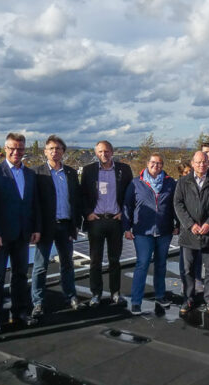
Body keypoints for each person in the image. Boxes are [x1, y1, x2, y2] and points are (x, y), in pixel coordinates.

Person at [0, 133, 41, 334]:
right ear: (5, 149)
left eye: (20, 149)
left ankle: (19, 312)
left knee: (20, 275)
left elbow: (34, 204)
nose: (16, 152)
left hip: (23, 234)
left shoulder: (30, 174)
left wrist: (36, 228)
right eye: (12, 148)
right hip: (0, 236)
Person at [31, 135, 84, 321]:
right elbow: (34, 203)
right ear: (45, 152)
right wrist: (35, 228)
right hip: (46, 227)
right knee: (40, 266)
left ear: (63, 152)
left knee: (67, 264)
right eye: (51, 148)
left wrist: (76, 225)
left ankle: (70, 296)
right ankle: (38, 302)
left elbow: (76, 201)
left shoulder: (70, 173)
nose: (55, 152)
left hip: (66, 225)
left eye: (58, 149)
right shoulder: (37, 173)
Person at [123, 153, 178, 315]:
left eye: (159, 163)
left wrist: (178, 224)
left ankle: (160, 296)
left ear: (163, 165)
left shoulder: (170, 183)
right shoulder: (136, 183)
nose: (156, 165)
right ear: (147, 164)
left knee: (161, 265)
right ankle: (136, 301)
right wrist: (126, 228)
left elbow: (176, 205)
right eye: (153, 162)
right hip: (143, 231)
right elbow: (127, 206)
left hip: (164, 231)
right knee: (142, 264)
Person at [81, 140, 133, 307]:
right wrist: (87, 213)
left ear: (112, 152)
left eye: (107, 151)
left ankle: (115, 293)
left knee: (114, 260)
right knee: (95, 260)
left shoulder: (124, 169)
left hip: (115, 221)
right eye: (100, 152)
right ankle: (96, 294)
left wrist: (124, 214)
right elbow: (82, 195)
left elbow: (130, 194)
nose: (104, 154)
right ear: (96, 153)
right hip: (96, 221)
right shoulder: (88, 170)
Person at [174, 151, 209, 314]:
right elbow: (178, 204)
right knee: (188, 269)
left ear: (208, 163)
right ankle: (188, 298)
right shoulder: (183, 182)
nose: (201, 165)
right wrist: (190, 224)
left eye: (204, 162)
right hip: (189, 233)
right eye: (198, 162)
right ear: (192, 163)